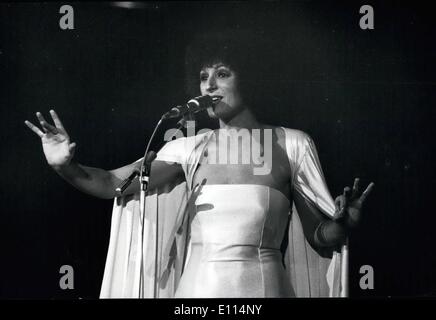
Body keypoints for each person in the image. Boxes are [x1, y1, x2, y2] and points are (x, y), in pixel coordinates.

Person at [24, 31, 374, 298]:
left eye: (222, 73)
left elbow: (319, 234)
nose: (209, 84)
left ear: (250, 77)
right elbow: (112, 183)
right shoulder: (189, 147)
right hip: (197, 293)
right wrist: (65, 166)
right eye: (204, 75)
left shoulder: (291, 143)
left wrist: (344, 225)